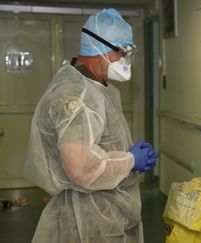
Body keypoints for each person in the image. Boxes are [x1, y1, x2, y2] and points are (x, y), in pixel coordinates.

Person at [24, 8, 158, 243]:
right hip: (86, 221)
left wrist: (127, 158)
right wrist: (129, 160)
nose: (125, 59)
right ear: (99, 47)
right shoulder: (76, 94)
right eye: (121, 51)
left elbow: (98, 146)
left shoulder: (98, 88)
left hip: (105, 215)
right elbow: (80, 167)